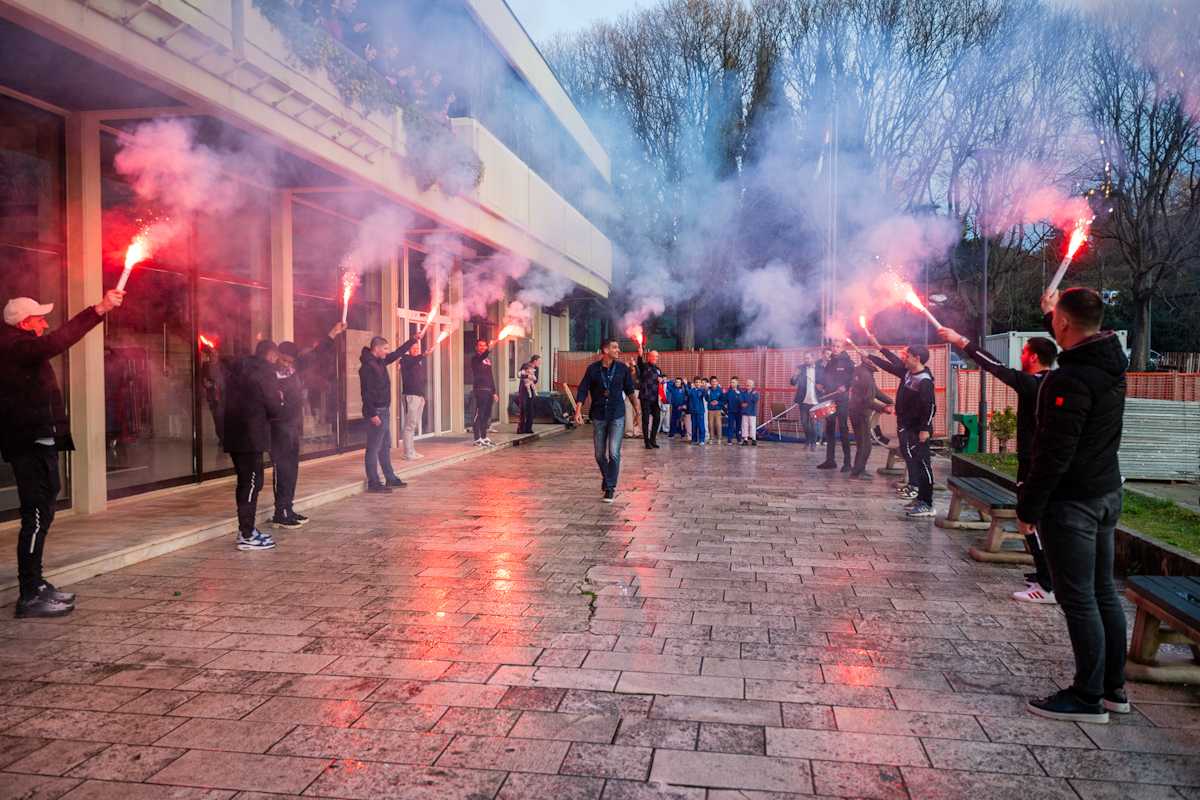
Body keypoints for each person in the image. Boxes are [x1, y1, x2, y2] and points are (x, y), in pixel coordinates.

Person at [1020, 288, 1128, 724]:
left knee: (1078, 597)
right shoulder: (1110, 363)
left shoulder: (1069, 380)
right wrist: (1053, 311)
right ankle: (1113, 689)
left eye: (1055, 320)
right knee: (1103, 591)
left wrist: (1029, 508)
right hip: (1106, 492)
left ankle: (1087, 696)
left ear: (1064, 324)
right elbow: (1076, 339)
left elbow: (1054, 453)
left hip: (1074, 503)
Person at [0, 289, 125, 618]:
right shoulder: (15, 347)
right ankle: (29, 594)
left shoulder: (24, 348)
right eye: (39, 319)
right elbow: (58, 340)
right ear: (24, 323)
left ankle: (37, 583)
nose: (44, 323)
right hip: (28, 446)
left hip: (41, 443)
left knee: (44, 512)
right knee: (35, 517)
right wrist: (99, 309)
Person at [939, 325, 1059, 604]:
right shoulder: (1054, 382)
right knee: (1037, 520)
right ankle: (1046, 573)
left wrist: (960, 340)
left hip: (1033, 464)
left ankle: (1048, 585)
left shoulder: (1033, 384)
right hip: (1044, 461)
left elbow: (994, 366)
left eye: (1025, 351)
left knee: (1032, 521)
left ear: (1034, 357)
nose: (1022, 356)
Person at [271, 321, 346, 528]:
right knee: (282, 471)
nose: (287, 365)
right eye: (284, 360)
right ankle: (280, 512)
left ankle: (288, 508)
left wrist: (333, 333)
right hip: (278, 430)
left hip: (293, 428)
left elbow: (316, 354)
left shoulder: (294, 371)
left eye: (290, 362)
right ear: (277, 357)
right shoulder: (270, 376)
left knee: (292, 470)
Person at [224, 340, 286, 550]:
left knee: (245, 483)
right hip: (251, 437)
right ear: (271, 355)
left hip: (235, 435)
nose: (276, 362)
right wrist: (279, 400)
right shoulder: (264, 372)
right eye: (275, 357)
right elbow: (273, 407)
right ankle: (247, 534)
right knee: (251, 484)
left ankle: (246, 530)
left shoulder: (239, 370)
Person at [868, 340, 936, 517]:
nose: (904, 358)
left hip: (918, 429)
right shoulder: (908, 373)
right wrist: (873, 354)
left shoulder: (924, 380)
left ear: (917, 358)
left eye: (908, 356)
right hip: (906, 425)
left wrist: (925, 429)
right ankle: (919, 498)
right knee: (913, 460)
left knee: (923, 465)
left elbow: (930, 407)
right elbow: (891, 365)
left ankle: (927, 503)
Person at [573, 338, 640, 502]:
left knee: (614, 453)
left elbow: (630, 391)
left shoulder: (622, 369)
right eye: (615, 347)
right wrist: (578, 410)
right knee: (599, 455)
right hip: (599, 415)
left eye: (618, 348)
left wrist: (637, 411)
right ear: (605, 350)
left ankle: (610, 488)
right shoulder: (592, 369)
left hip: (617, 414)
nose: (618, 350)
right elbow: (583, 389)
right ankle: (608, 478)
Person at [359, 334, 409, 493]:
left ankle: (390, 478)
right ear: (377, 348)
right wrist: (372, 414)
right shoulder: (367, 367)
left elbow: (396, 354)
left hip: (384, 410)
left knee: (385, 445)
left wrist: (413, 340)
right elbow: (366, 393)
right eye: (385, 348)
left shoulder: (379, 362)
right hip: (376, 412)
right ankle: (373, 482)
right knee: (373, 448)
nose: (388, 351)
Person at [845, 343, 894, 480]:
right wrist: (883, 408)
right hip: (860, 412)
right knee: (865, 445)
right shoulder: (865, 374)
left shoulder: (863, 371)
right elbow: (867, 400)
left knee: (863, 443)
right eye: (872, 357)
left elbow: (874, 391)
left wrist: (889, 400)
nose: (875, 360)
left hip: (856, 411)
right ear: (864, 358)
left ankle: (859, 470)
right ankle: (857, 473)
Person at [816, 341, 855, 470]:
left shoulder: (848, 362)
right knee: (830, 429)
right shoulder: (830, 362)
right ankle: (830, 460)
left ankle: (847, 463)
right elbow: (825, 377)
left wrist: (846, 387)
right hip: (830, 399)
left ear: (842, 348)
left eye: (838, 346)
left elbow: (853, 378)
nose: (835, 348)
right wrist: (820, 384)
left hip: (842, 400)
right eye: (833, 346)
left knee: (843, 428)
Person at [399, 326, 433, 456]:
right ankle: (408, 453)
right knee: (410, 425)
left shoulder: (417, 362)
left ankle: (412, 450)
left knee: (414, 425)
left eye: (418, 348)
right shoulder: (405, 359)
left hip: (419, 396)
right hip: (410, 396)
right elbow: (414, 360)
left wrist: (423, 396)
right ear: (409, 349)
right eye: (414, 348)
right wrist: (423, 355)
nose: (416, 350)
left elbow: (419, 379)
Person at [470, 337, 499, 447]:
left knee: (486, 415)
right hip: (480, 390)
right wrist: (489, 349)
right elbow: (482, 356)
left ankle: (483, 436)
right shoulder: (475, 359)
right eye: (480, 345)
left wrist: (494, 392)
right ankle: (477, 438)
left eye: (484, 345)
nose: (482, 347)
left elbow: (490, 376)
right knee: (479, 414)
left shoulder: (487, 360)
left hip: (489, 391)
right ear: (476, 347)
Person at [635, 343, 664, 449]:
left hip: (655, 398)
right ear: (649, 357)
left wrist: (662, 380)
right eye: (654, 356)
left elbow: (661, 380)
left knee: (657, 418)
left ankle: (653, 440)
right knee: (646, 420)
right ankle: (646, 442)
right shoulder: (644, 366)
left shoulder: (658, 369)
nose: (656, 358)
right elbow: (639, 363)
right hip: (646, 397)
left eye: (657, 356)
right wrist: (640, 355)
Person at [791, 353, 820, 450]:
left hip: (815, 401)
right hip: (803, 401)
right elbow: (793, 383)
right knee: (804, 422)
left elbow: (824, 381)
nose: (806, 360)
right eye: (805, 358)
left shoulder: (819, 368)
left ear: (813, 358)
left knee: (813, 423)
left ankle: (813, 443)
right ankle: (807, 440)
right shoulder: (801, 368)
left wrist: (822, 387)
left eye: (808, 358)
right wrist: (795, 375)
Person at [687, 377, 708, 445]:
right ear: (694, 383)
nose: (698, 384)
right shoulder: (691, 390)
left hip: (700, 411)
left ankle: (702, 440)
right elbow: (688, 393)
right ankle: (694, 439)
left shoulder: (702, 390)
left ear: (701, 383)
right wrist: (686, 385)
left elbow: (706, 397)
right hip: (693, 411)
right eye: (696, 382)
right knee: (694, 426)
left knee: (701, 426)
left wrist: (705, 389)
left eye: (699, 382)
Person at [739, 379, 760, 445]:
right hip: (745, 412)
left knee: (752, 426)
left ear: (753, 385)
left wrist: (747, 402)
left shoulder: (755, 393)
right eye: (747, 383)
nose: (748, 384)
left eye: (750, 383)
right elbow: (741, 400)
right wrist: (743, 403)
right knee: (744, 426)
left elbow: (755, 399)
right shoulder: (743, 393)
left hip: (752, 412)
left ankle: (754, 439)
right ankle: (745, 439)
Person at [705, 376, 725, 446]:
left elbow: (723, 400)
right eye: (712, 381)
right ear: (710, 383)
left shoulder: (720, 390)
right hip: (710, 410)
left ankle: (719, 439)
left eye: (715, 381)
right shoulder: (708, 390)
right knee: (710, 424)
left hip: (718, 410)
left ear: (717, 382)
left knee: (718, 424)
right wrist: (707, 393)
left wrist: (717, 402)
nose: (714, 383)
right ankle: (711, 438)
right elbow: (706, 399)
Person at [725, 377, 744, 444]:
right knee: (730, 426)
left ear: (737, 383)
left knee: (738, 426)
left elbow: (742, 401)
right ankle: (729, 440)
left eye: (733, 382)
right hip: (731, 412)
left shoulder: (741, 392)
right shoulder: (728, 392)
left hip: (739, 412)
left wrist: (739, 394)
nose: (732, 384)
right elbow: (725, 401)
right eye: (731, 382)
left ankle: (739, 439)